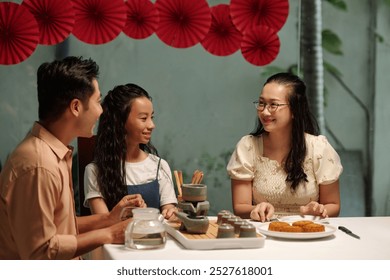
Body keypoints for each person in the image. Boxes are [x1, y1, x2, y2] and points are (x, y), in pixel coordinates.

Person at [0, 56, 145, 260]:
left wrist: (108, 219)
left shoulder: (53, 153)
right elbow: (41, 253)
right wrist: (111, 234)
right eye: (97, 101)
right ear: (76, 107)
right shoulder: (39, 164)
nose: (101, 111)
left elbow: (59, 226)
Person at [227, 72, 343, 222]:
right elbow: (240, 206)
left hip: (307, 232)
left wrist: (316, 211)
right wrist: (255, 209)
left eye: (273, 105)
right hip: (263, 233)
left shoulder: (319, 148)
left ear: (295, 109)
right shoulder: (248, 146)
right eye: (261, 103)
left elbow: (333, 205)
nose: (265, 111)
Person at [83, 83, 177, 220]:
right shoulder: (95, 171)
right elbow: (102, 223)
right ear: (119, 122)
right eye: (143, 118)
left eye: (152, 117)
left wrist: (171, 212)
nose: (151, 125)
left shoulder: (159, 166)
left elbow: (169, 209)